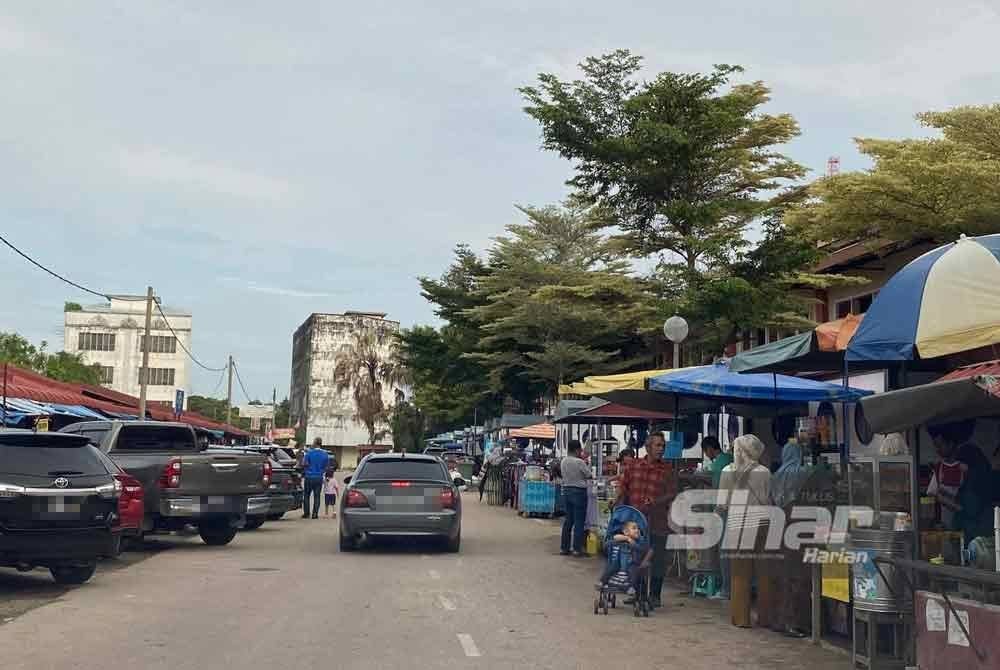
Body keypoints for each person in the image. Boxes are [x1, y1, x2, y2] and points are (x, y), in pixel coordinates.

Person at [718, 433, 774, 628]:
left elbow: (722, 503)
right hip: (763, 522)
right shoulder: (765, 472)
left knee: (740, 573)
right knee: (764, 571)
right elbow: (767, 498)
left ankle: (741, 618)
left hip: (739, 523)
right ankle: (766, 617)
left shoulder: (727, 471)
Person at [615, 432, 676, 609]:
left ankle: (655, 596)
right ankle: (639, 594)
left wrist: (656, 501)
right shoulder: (634, 466)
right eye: (658, 445)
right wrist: (617, 505)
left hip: (658, 521)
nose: (661, 449)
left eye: (663, 446)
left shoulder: (667, 470)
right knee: (636, 558)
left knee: (657, 560)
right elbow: (623, 487)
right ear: (648, 447)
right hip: (635, 522)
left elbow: (672, 493)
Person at [769, 434, 815, 637]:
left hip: (779, 530)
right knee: (799, 578)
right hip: (800, 529)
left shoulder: (775, 476)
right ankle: (794, 623)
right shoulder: (805, 473)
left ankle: (779, 621)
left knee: (781, 576)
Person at [702, 435, 732, 600]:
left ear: (709, 449)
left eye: (705, 451)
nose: (706, 455)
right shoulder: (730, 459)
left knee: (724, 550)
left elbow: (715, 488)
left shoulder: (719, 464)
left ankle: (726, 589)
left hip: (723, 510)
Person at [926, 422, 970, 529]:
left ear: (951, 444)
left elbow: (968, 500)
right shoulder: (938, 468)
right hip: (943, 526)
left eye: (940, 445)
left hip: (964, 523)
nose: (937, 449)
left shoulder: (964, 468)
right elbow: (931, 494)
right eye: (936, 446)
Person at [596, 520, 652, 596]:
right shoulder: (622, 539)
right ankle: (602, 581)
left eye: (638, 528)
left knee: (633, 572)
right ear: (626, 532)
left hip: (632, 562)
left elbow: (643, 549)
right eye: (634, 528)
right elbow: (612, 540)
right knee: (610, 568)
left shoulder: (639, 541)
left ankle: (631, 587)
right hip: (618, 562)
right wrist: (627, 539)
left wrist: (634, 544)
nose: (637, 530)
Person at [560, 440, 592, 557]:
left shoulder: (563, 461)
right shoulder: (579, 462)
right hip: (579, 492)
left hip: (566, 491)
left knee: (568, 520)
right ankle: (577, 549)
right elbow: (589, 475)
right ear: (577, 450)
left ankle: (564, 548)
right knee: (579, 521)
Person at [301, 437, 330, 519]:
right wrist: (322, 471)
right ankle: (315, 514)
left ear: (314, 443)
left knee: (306, 495)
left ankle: (306, 513)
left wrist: (307, 468)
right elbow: (327, 467)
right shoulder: (325, 454)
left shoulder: (309, 453)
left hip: (309, 476)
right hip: (319, 477)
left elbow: (304, 463)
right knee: (317, 496)